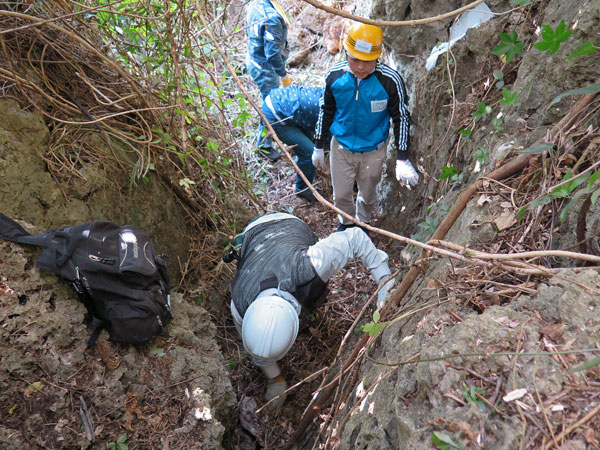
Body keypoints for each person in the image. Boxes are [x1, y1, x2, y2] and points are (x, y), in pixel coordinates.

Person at [225, 213, 395, 410]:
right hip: (252, 237)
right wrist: (275, 378)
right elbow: (259, 350)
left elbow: (354, 238)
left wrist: (384, 279)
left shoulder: (308, 265)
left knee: (312, 287)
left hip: (287, 224)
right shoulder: (239, 306)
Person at [313, 22, 419, 232]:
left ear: (378, 56)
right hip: (341, 148)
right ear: (345, 53)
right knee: (341, 194)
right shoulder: (335, 77)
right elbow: (326, 110)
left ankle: (362, 224)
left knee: (368, 194)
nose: (361, 66)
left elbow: (401, 118)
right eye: (355, 59)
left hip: (373, 151)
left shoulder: (390, 81)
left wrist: (403, 158)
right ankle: (347, 224)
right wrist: (318, 145)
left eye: (368, 61)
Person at [246, 0, 292, 162]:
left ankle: (275, 134)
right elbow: (272, 55)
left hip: (254, 58)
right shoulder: (271, 17)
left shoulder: (256, 3)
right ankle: (264, 145)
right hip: (265, 68)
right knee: (271, 105)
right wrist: (283, 75)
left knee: (270, 102)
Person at [261, 85, 323, 202]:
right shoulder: (327, 111)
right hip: (276, 115)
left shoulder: (328, 98)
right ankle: (303, 190)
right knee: (309, 153)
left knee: (307, 145)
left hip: (282, 101)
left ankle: (304, 168)